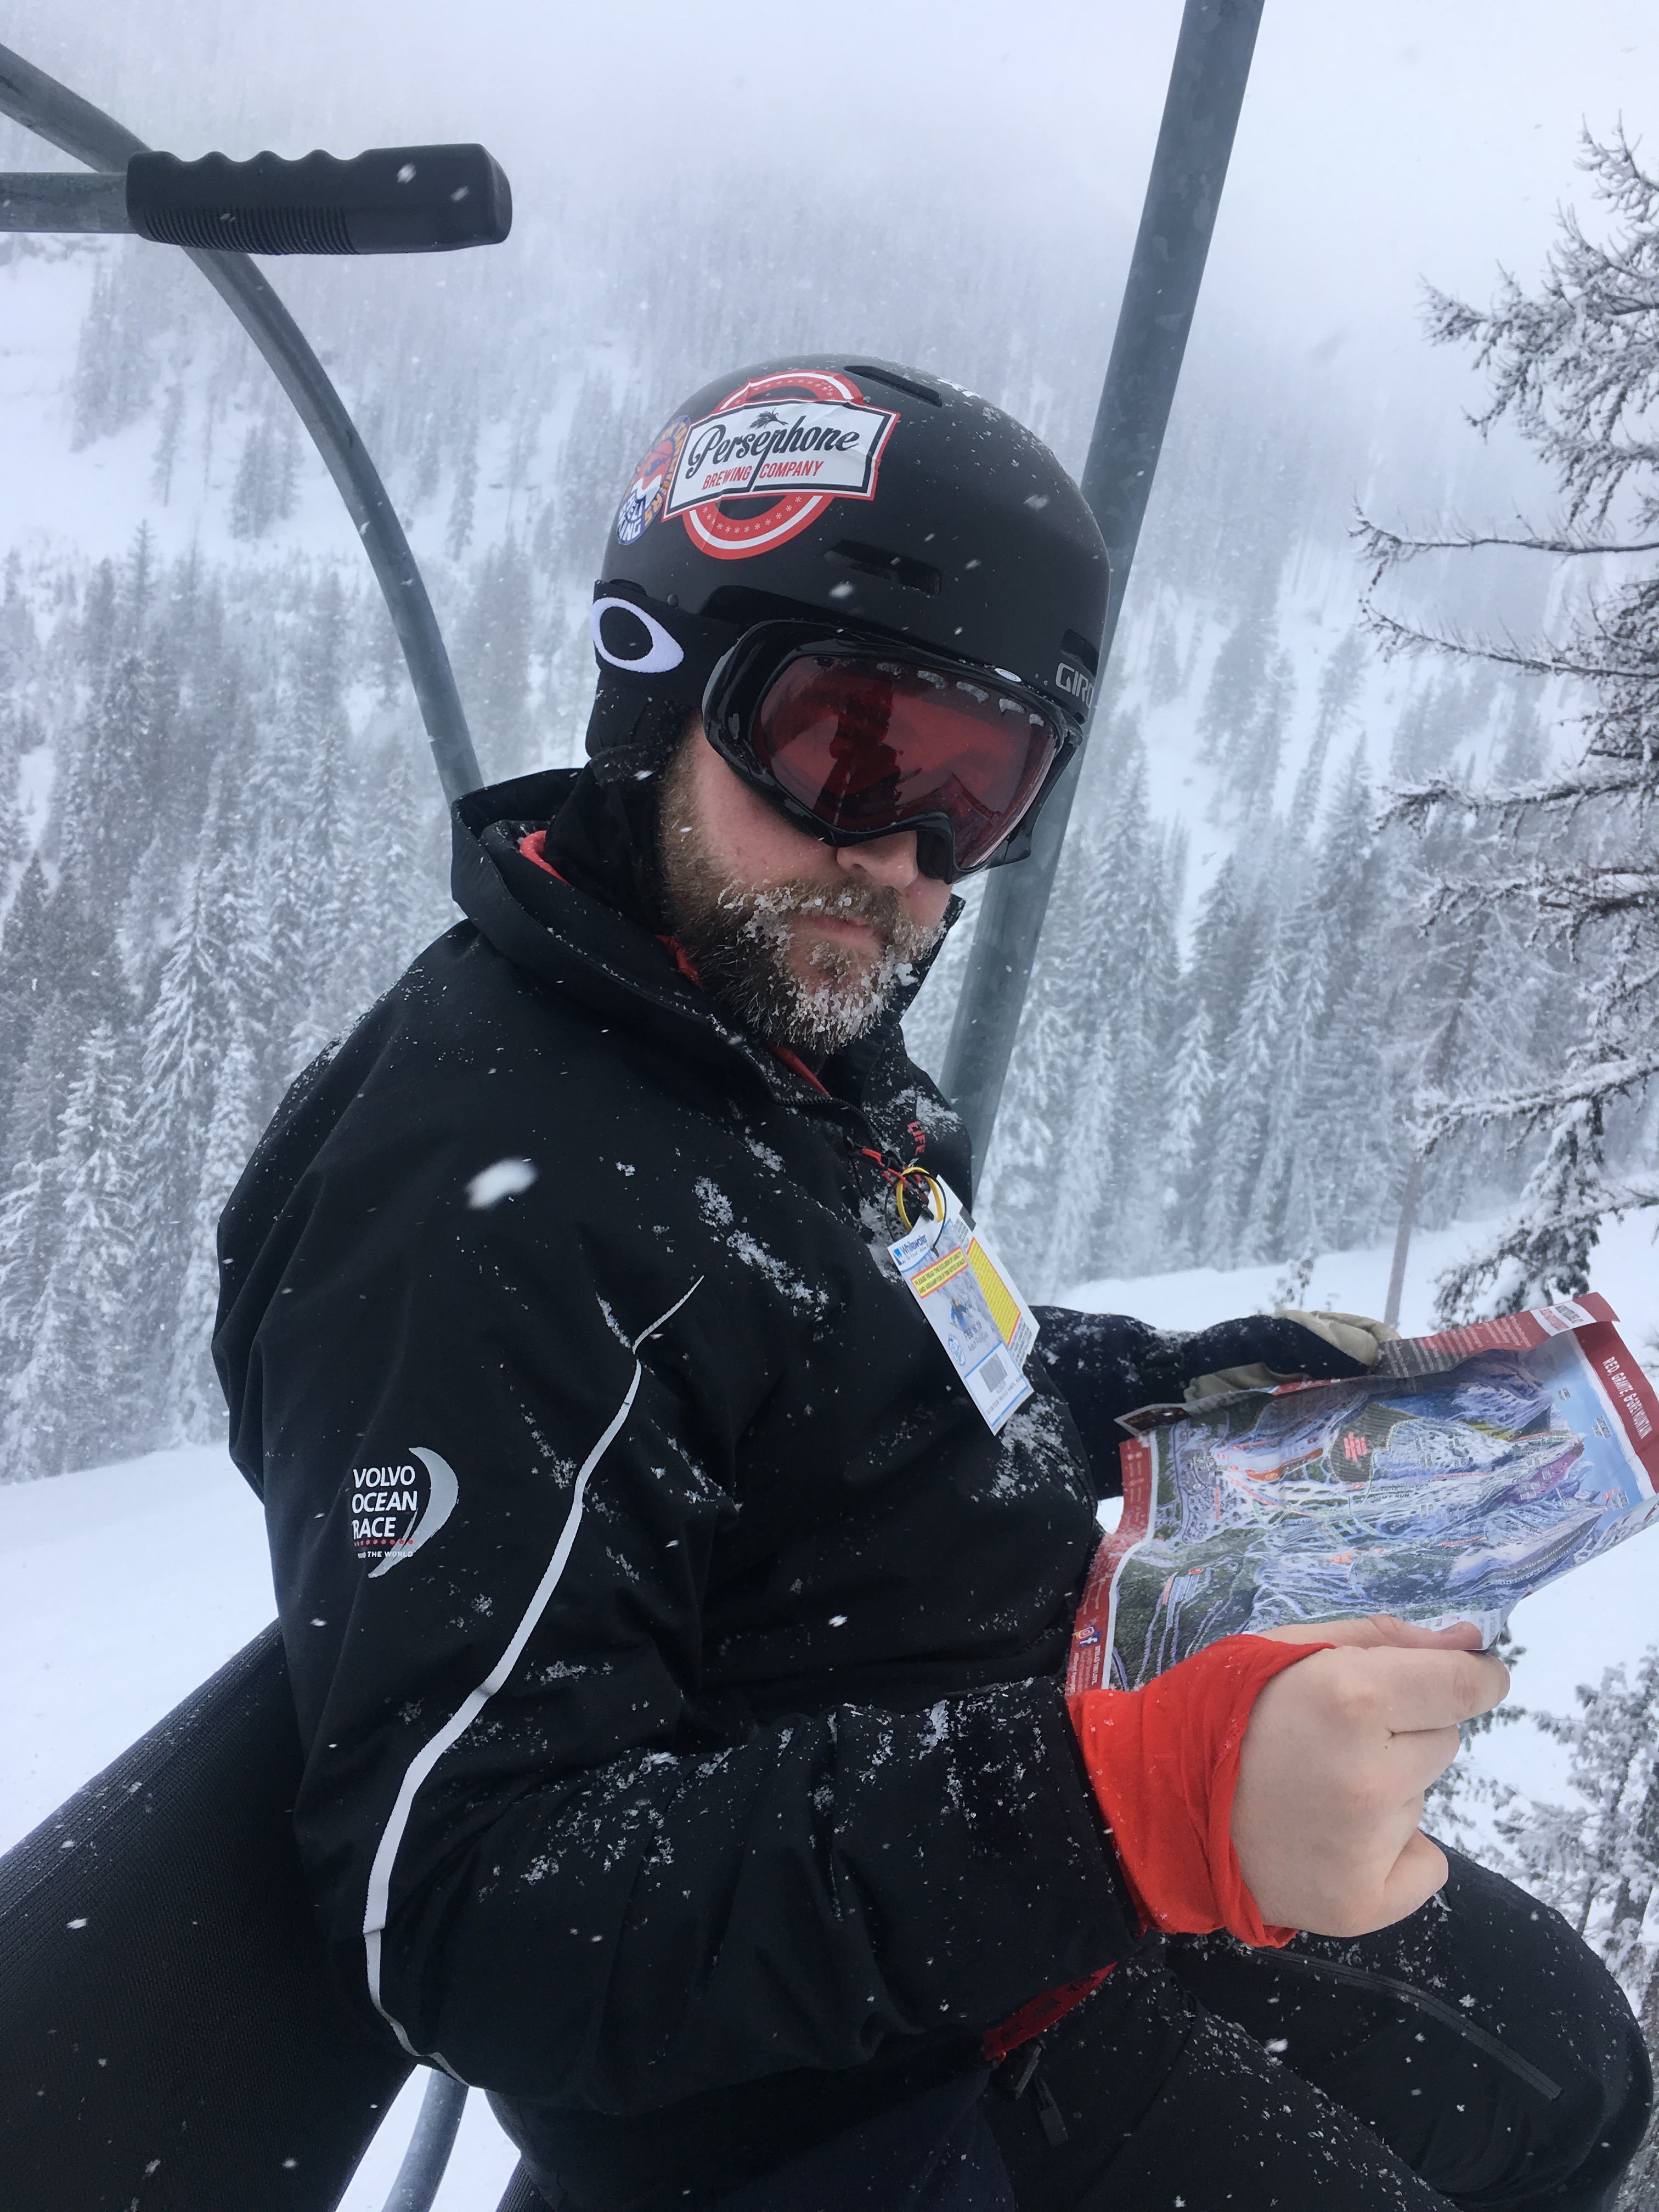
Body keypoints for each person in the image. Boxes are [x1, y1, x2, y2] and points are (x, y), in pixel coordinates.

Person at [214, 358, 1649, 2212]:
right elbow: (471, 1915)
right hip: (816, 2092)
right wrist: (1109, 1801)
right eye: (849, 746)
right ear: (658, 684)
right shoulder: (481, 1202)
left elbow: (891, 1380)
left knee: (1568, 2066)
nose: (899, 857)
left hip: (993, 1879)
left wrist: (1193, 1388)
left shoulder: (769, 1039)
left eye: (978, 792)